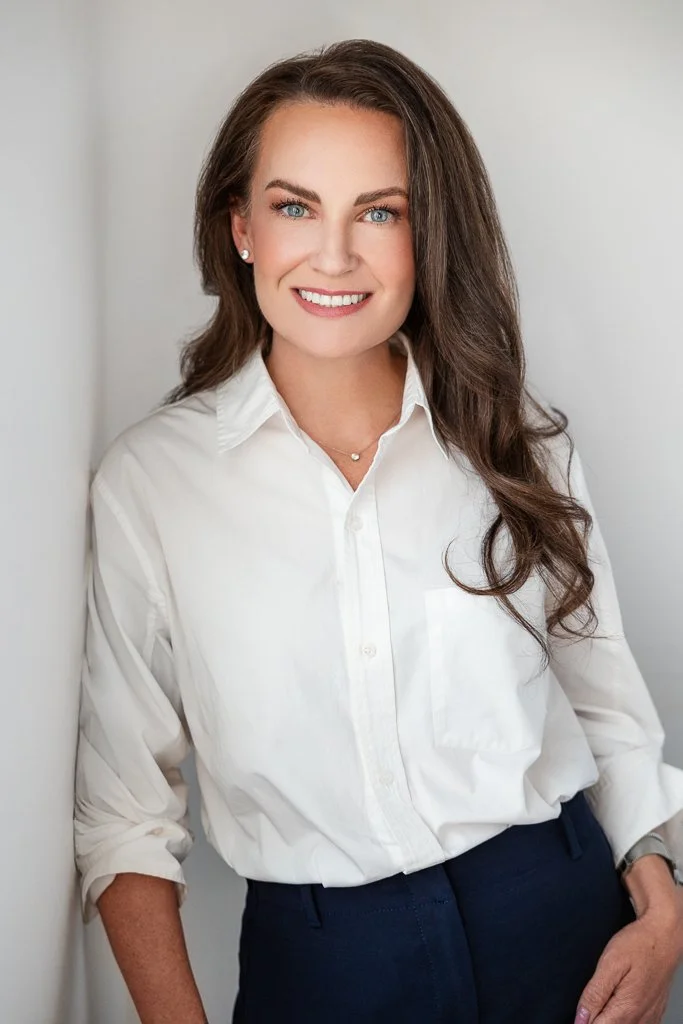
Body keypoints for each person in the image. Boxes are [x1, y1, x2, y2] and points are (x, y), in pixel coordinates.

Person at [73, 38, 683, 1024]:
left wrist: (663, 909)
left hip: (564, 932)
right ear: (239, 230)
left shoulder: (511, 442)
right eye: (293, 207)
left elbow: (605, 701)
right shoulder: (153, 485)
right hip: (323, 971)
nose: (333, 256)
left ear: (426, 233)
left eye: (379, 212)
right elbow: (122, 816)